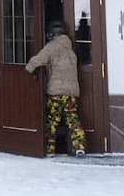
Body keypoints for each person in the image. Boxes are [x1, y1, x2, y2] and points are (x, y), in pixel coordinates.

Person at [24, 19, 86, 156]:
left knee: (52, 120)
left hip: (57, 92)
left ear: (52, 34)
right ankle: (79, 146)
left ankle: (49, 149)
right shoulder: (69, 47)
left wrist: (28, 69)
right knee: (73, 119)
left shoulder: (52, 46)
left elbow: (39, 59)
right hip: (72, 92)